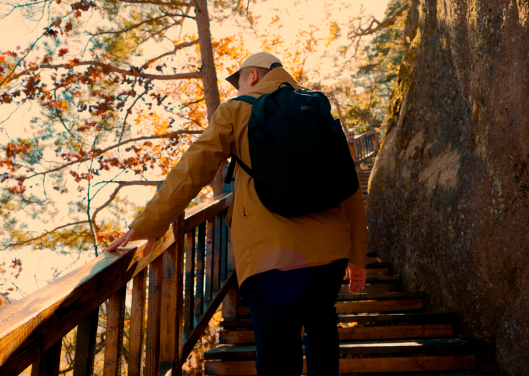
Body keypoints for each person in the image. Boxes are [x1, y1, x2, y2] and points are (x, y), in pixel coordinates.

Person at [106, 52, 368, 375]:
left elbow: (194, 167)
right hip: (330, 256)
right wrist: (356, 256)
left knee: (278, 361)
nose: (238, 88)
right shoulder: (317, 110)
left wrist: (150, 223)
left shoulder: (236, 110)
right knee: (322, 338)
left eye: (240, 80)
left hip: (272, 259)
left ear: (253, 76)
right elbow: (350, 188)